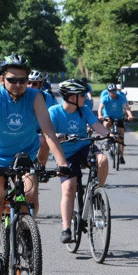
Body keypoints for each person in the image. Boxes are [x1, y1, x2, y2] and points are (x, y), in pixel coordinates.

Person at [0, 55, 70, 275]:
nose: (18, 84)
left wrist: (62, 164)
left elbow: (48, 132)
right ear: (2, 79)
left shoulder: (35, 97)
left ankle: (25, 232)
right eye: (12, 79)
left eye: (23, 80)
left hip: (24, 156)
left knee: (29, 194)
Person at [47, 79, 111, 244]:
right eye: (81, 95)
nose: (85, 97)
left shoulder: (84, 110)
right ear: (71, 97)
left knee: (102, 160)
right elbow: (48, 135)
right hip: (65, 154)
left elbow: (96, 125)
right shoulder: (54, 112)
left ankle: (97, 196)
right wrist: (58, 136)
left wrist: (109, 135)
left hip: (83, 148)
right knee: (69, 188)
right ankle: (66, 228)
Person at [99, 83, 133, 163]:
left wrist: (130, 115)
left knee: (121, 136)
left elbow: (126, 107)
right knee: (106, 124)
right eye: (111, 91)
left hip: (119, 117)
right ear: (108, 92)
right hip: (109, 116)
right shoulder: (105, 98)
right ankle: (108, 139)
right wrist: (100, 115)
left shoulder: (121, 97)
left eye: (114, 91)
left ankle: (121, 156)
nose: (113, 93)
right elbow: (100, 108)